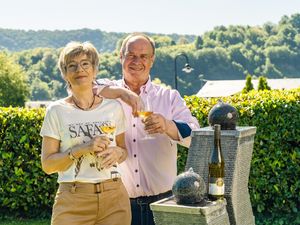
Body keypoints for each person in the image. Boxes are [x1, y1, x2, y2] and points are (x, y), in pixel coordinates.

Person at [96, 33, 200, 225]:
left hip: (165, 201)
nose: (137, 61)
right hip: (120, 204)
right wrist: (123, 94)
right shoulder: (107, 93)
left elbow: (196, 137)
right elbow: (83, 87)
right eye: (131, 55)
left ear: (152, 61)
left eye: (143, 56)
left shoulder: (169, 97)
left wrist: (167, 125)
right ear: (121, 57)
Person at [40, 41, 134, 225]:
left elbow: (123, 151)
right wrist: (82, 148)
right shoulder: (56, 111)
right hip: (73, 199)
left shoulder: (113, 108)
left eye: (85, 63)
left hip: (114, 198)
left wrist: (118, 152)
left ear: (94, 70)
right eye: (72, 66)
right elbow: (48, 165)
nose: (79, 69)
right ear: (65, 74)